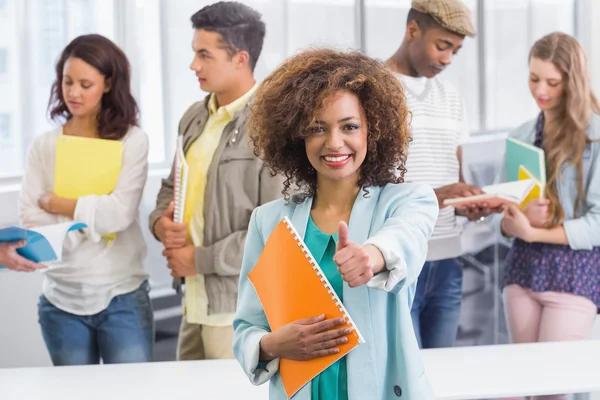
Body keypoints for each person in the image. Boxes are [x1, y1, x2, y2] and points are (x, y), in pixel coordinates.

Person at [233, 48, 439, 399]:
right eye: (317, 128)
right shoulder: (268, 222)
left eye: (349, 127)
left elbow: (404, 239)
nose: (334, 142)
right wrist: (272, 344)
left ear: (372, 131)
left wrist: (371, 257)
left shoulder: (408, 201)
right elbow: (246, 328)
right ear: (297, 137)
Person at [149, 1, 282, 361]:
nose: (194, 65)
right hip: (193, 300)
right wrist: (161, 223)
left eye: (204, 55)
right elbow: (170, 186)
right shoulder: (194, 117)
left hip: (238, 311)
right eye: (195, 53)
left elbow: (277, 232)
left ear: (240, 58)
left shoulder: (273, 127)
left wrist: (201, 259)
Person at [18, 34, 153, 365]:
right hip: (60, 298)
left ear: (107, 84)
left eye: (85, 84)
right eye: (67, 82)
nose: (73, 93)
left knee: (133, 393)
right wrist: (91, 217)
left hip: (121, 295)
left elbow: (119, 215)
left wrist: (60, 205)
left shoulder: (132, 142)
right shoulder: (44, 146)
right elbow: (31, 220)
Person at [385, 0, 498, 349]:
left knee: (444, 378)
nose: (448, 58)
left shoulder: (451, 98)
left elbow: (455, 176)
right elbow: (364, 188)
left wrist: (470, 204)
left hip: (448, 262)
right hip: (398, 262)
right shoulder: (373, 90)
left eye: (456, 50)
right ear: (413, 30)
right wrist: (439, 194)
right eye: (442, 45)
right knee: (405, 380)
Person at [499, 32, 600, 400]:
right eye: (533, 78)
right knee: (519, 386)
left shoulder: (596, 139)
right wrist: (513, 221)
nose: (540, 90)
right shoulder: (521, 137)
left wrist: (533, 231)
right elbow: (502, 214)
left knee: (551, 393)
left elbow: (598, 223)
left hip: (574, 279)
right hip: (523, 274)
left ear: (571, 82)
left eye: (552, 82)